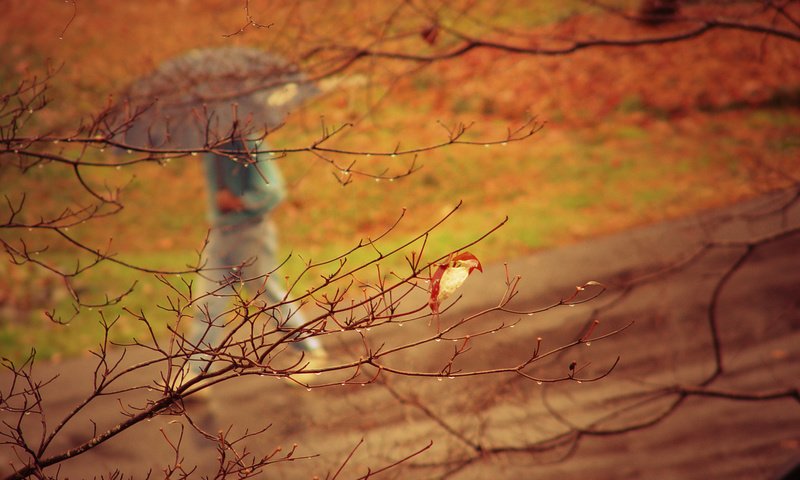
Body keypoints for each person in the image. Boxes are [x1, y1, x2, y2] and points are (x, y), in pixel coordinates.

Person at [184, 137, 326, 385]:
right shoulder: (209, 147)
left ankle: (309, 351)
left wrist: (240, 202)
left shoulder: (248, 144)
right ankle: (196, 372)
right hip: (219, 234)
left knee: (267, 294)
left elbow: (273, 190)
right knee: (208, 302)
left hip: (251, 232)